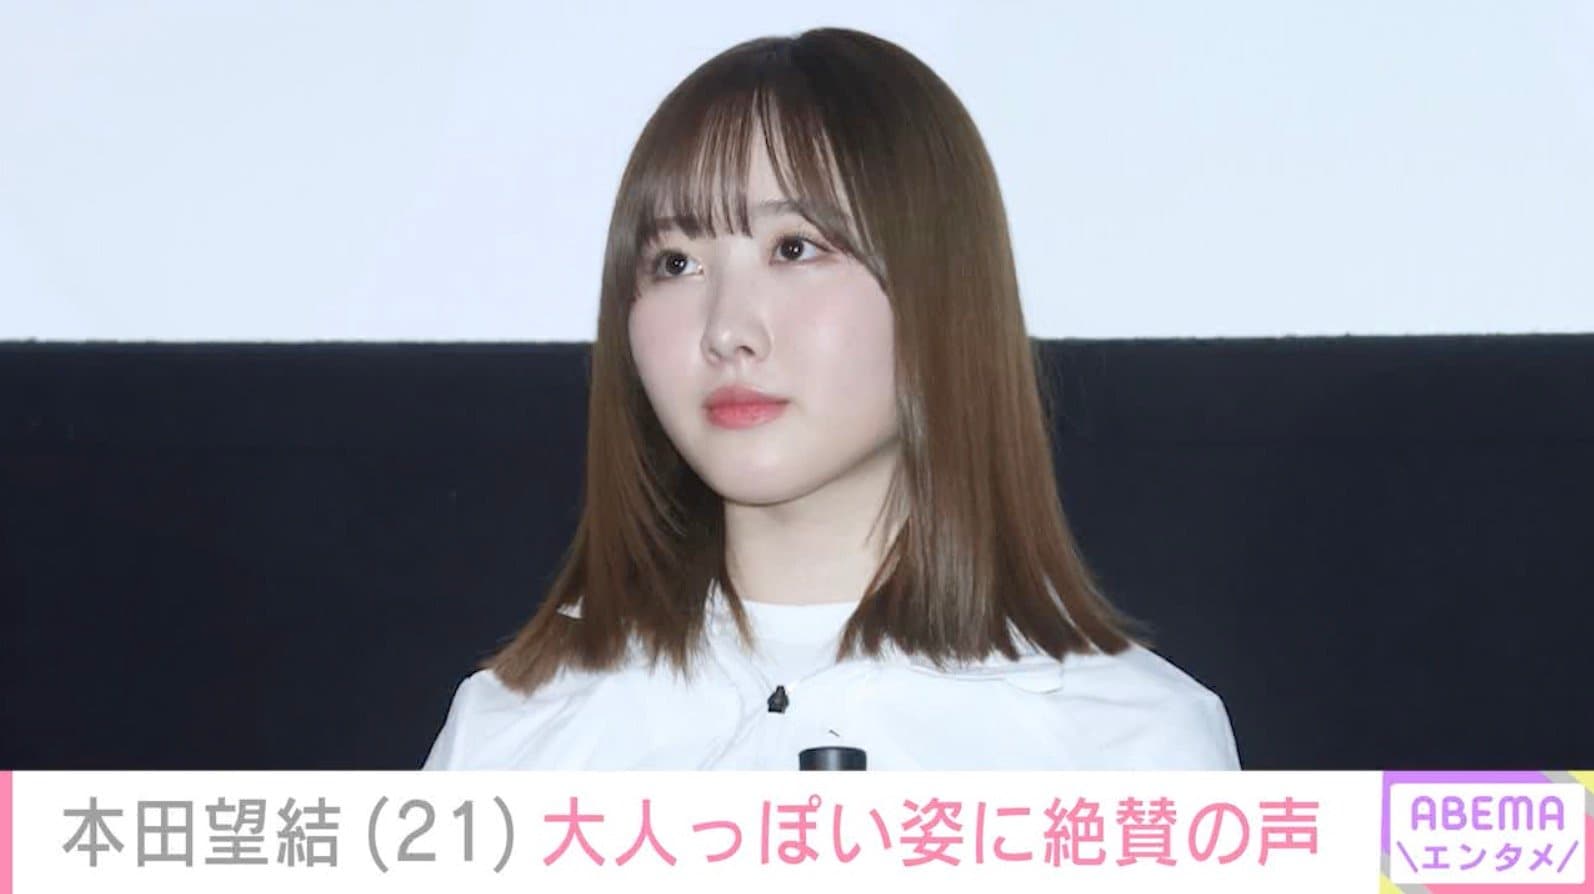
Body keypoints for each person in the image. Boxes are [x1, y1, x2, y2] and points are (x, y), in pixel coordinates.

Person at [423, 27, 1241, 770]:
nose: (727, 330)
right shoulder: (512, 733)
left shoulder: (1132, 747)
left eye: (795, 248)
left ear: (938, 290)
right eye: (675, 263)